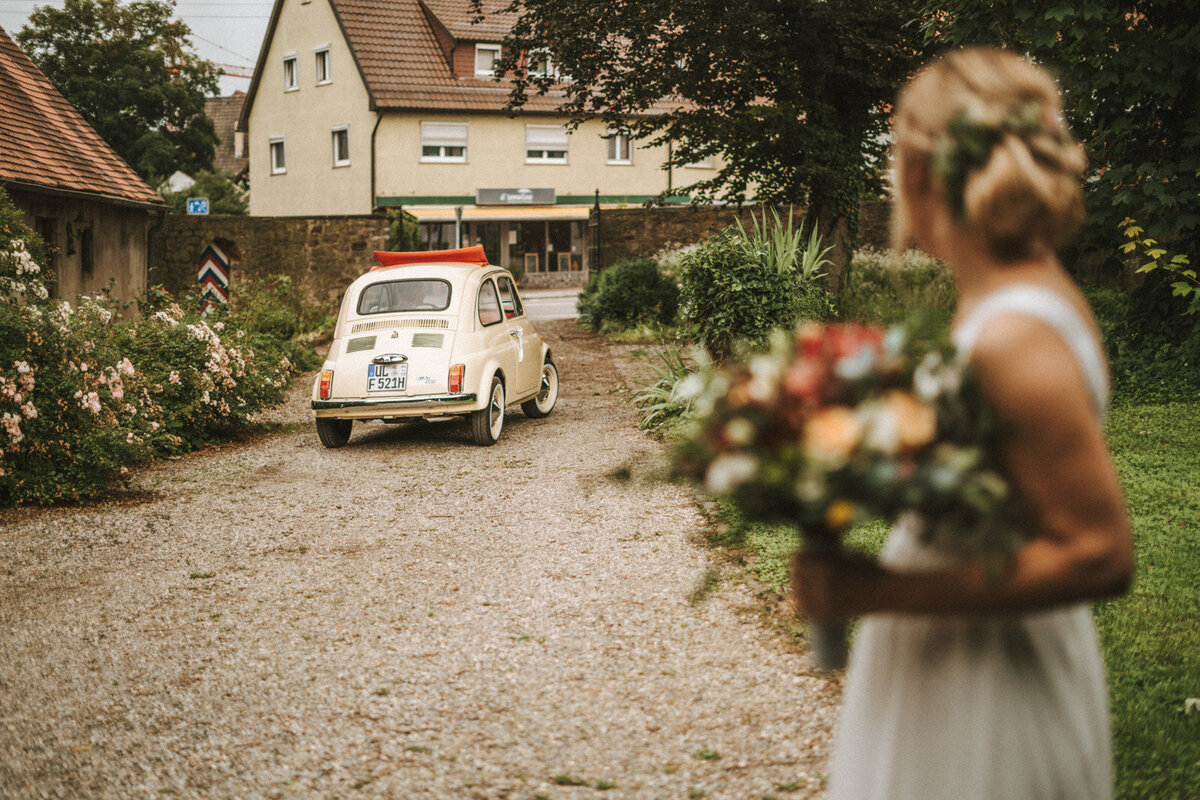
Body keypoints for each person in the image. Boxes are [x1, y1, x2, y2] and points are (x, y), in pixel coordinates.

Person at [791, 47, 1134, 800]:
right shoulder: (1013, 300)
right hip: (961, 659)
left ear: (918, 175)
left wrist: (882, 592)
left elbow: (1099, 554)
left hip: (985, 690)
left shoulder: (1013, 334)